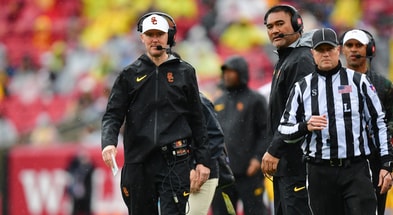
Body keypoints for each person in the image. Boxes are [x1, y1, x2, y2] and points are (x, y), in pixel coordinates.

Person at [272, 27, 393, 215]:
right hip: (319, 170)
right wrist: (305, 126)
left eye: (329, 49)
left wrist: (387, 164)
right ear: (313, 53)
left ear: (338, 50)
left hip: (356, 167)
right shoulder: (301, 87)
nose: (325, 54)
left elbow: (378, 123)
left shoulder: (359, 82)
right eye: (320, 50)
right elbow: (284, 130)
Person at [101, 12, 211, 215]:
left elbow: (197, 119)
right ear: (142, 37)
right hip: (139, 161)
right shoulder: (128, 74)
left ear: (168, 36)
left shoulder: (185, 72)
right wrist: (108, 142)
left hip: (175, 160)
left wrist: (203, 160)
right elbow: (112, 114)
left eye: (159, 34)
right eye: (149, 34)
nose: (154, 39)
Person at [260, 4, 314, 215]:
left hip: (296, 163)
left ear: (297, 24)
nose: (274, 30)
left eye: (280, 24)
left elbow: (299, 114)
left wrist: (275, 150)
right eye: (270, 26)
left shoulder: (301, 59)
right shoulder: (287, 59)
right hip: (286, 163)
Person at [340, 29, 393, 215]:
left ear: (369, 49)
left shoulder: (383, 85)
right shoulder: (329, 83)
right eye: (349, 45)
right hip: (340, 163)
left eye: (358, 45)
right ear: (342, 49)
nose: (354, 50)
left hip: (374, 161)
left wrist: (388, 165)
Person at [211, 55, 268, 215]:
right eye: (225, 72)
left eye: (231, 72)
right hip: (224, 172)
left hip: (249, 171)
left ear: (241, 73)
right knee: (222, 212)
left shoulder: (255, 100)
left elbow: (265, 131)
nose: (227, 75)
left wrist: (257, 159)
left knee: (255, 211)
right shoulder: (219, 101)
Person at [187, 93, 225, 215]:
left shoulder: (199, 101)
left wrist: (197, 164)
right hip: (177, 172)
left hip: (202, 173)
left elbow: (215, 137)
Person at [66, 150, 95, 215]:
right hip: (76, 194)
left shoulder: (89, 167)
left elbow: (94, 168)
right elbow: (68, 169)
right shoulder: (75, 166)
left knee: (86, 210)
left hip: (87, 195)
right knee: (76, 209)